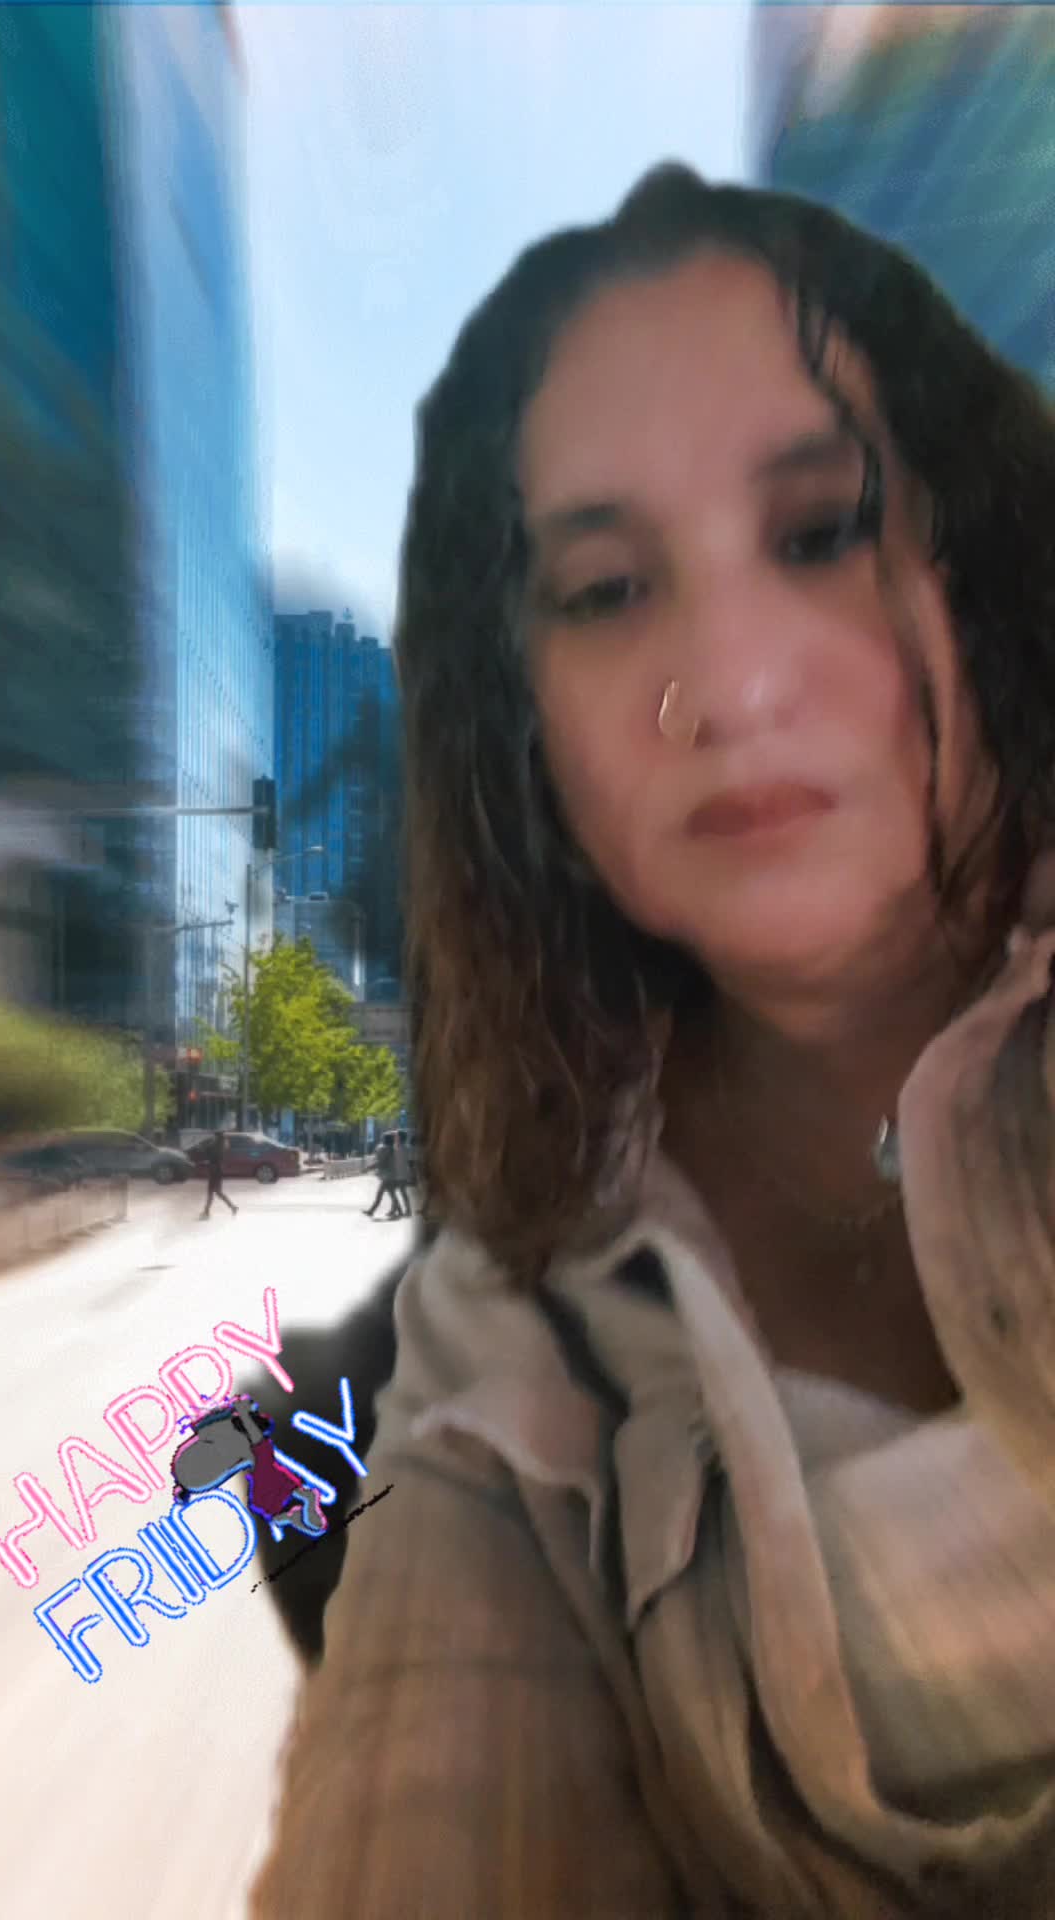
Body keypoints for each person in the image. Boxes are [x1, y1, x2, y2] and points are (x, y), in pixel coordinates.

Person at [251, 166, 1055, 1920]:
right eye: (609, 590)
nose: (726, 681)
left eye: (822, 532)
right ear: (523, 735)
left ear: (984, 556)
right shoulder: (518, 1320)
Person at [362, 1132, 404, 1220]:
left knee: (380, 1194)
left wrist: (368, 1168)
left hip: (388, 1176)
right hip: (393, 1174)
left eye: (382, 1138)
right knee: (392, 1194)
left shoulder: (385, 1149)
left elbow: (380, 1162)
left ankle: (371, 1211)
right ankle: (400, 1211)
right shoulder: (393, 1149)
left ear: (385, 1140)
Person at [199, 1128, 237, 1221]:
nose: (213, 1138)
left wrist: (201, 1146)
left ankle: (206, 1211)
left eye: (214, 1136)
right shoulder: (222, 1146)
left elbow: (207, 1152)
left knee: (211, 1192)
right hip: (218, 1171)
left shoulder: (215, 1146)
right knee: (218, 1192)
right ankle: (232, 1207)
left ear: (217, 1137)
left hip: (214, 1171)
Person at [391, 1128, 414, 1217]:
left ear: (400, 1137)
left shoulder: (406, 1148)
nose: (395, 1137)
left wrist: (411, 1174)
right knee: (393, 1191)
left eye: (396, 1136)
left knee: (402, 1192)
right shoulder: (395, 1147)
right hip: (395, 1173)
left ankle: (407, 1210)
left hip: (402, 1173)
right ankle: (395, 1209)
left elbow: (410, 1162)